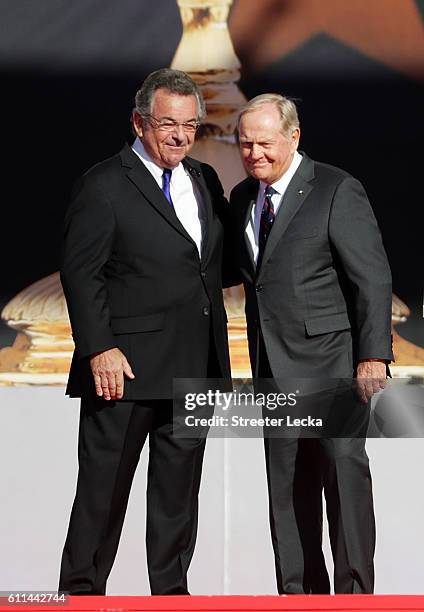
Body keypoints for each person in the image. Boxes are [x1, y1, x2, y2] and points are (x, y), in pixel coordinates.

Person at [58, 68, 231, 595]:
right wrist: (100, 348)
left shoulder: (203, 179)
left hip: (194, 364)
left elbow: (215, 265)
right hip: (124, 369)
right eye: (166, 123)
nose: (179, 135)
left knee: (178, 494)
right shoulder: (104, 183)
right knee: (102, 492)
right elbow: (80, 272)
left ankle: (171, 597)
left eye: (190, 124)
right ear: (139, 122)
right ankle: (81, 595)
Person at [229, 93, 393, 594]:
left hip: (333, 366)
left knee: (343, 478)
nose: (255, 154)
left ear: (293, 137)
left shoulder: (336, 189)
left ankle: (355, 596)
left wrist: (372, 355)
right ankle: (299, 597)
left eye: (265, 143)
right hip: (273, 369)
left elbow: (372, 278)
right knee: (287, 490)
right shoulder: (241, 198)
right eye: (245, 144)